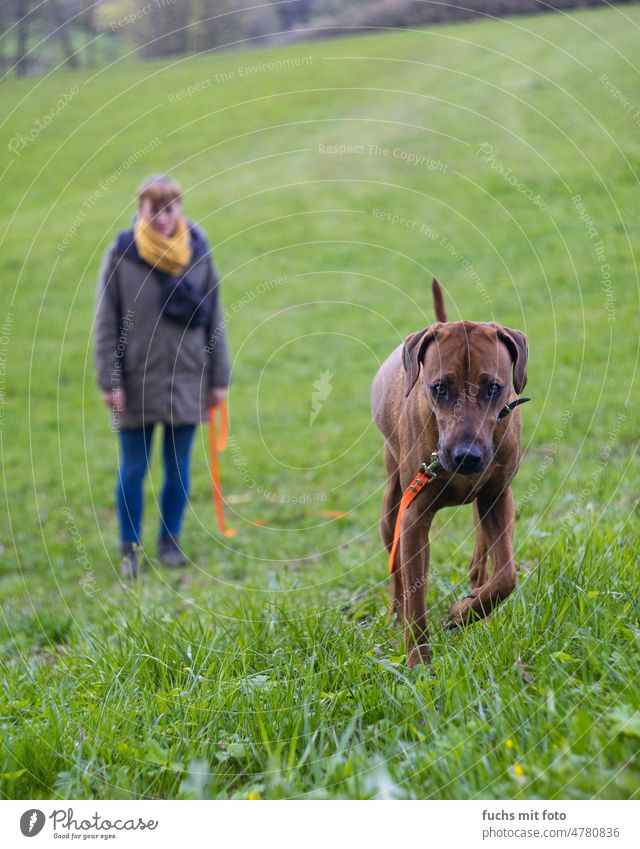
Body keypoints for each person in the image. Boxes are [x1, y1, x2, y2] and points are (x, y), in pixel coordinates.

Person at [94, 175, 231, 577]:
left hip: (189, 378)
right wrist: (110, 380)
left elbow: (215, 318)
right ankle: (129, 549)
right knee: (133, 467)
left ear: (179, 209)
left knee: (179, 465)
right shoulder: (122, 254)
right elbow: (106, 321)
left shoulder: (199, 250)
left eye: (169, 208)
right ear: (140, 210)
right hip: (134, 381)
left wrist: (219, 378)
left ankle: (170, 543)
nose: (162, 217)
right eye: (153, 209)